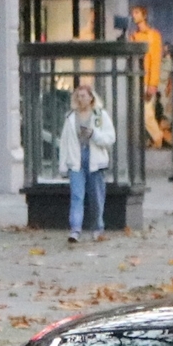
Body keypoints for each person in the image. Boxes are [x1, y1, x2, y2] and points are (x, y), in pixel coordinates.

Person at [63, 82, 112, 243]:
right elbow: (64, 142)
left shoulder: (100, 115)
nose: (80, 99)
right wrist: (64, 164)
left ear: (91, 98)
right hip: (76, 160)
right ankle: (75, 229)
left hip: (95, 159)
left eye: (83, 96)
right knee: (77, 196)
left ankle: (98, 227)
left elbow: (110, 138)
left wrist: (94, 135)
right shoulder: (70, 117)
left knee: (96, 196)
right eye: (78, 96)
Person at [128, 6, 170, 149]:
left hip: (146, 80)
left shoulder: (153, 35)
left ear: (144, 15)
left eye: (137, 13)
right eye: (133, 13)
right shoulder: (133, 36)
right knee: (139, 113)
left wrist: (153, 83)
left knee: (146, 114)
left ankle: (157, 137)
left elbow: (155, 60)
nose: (134, 16)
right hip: (135, 79)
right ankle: (151, 139)